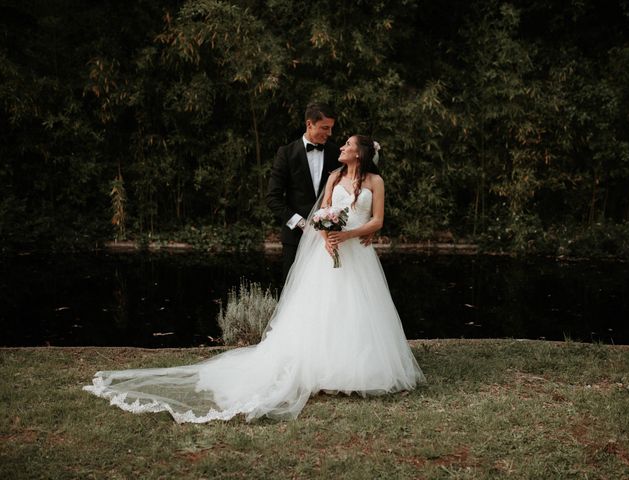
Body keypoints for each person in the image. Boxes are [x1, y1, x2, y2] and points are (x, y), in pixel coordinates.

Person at [83, 134, 425, 422]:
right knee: (322, 310)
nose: (342, 147)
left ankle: (357, 370)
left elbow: (377, 221)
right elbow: (320, 215)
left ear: (360, 153)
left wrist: (348, 236)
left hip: (358, 254)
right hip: (328, 254)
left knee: (357, 310)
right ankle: (321, 368)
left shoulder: (375, 182)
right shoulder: (334, 178)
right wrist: (325, 236)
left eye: (348, 144)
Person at [266, 102, 341, 281]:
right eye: (325, 128)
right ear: (309, 124)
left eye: (331, 128)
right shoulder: (286, 153)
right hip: (296, 238)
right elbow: (272, 198)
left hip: (329, 237)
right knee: (293, 290)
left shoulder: (336, 152)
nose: (329, 133)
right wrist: (302, 223)